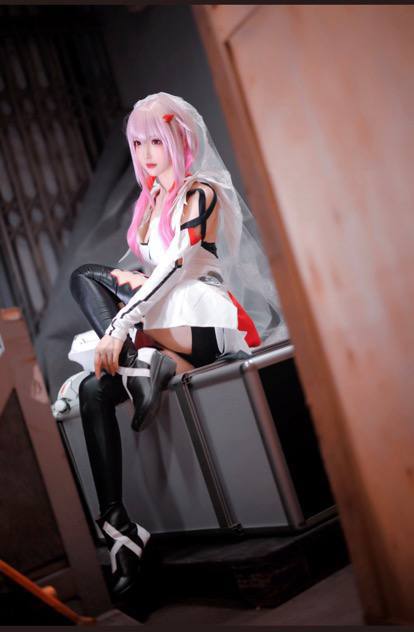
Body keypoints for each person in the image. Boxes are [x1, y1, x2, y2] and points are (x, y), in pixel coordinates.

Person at [69, 92, 280, 598]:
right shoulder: (149, 205)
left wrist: (121, 323)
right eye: (138, 144)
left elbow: (180, 264)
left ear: (180, 140)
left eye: (156, 142)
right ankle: (118, 525)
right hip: (165, 324)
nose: (146, 154)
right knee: (93, 389)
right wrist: (131, 302)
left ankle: (136, 359)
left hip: (200, 318)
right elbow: (153, 271)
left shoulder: (201, 191)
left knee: (93, 288)